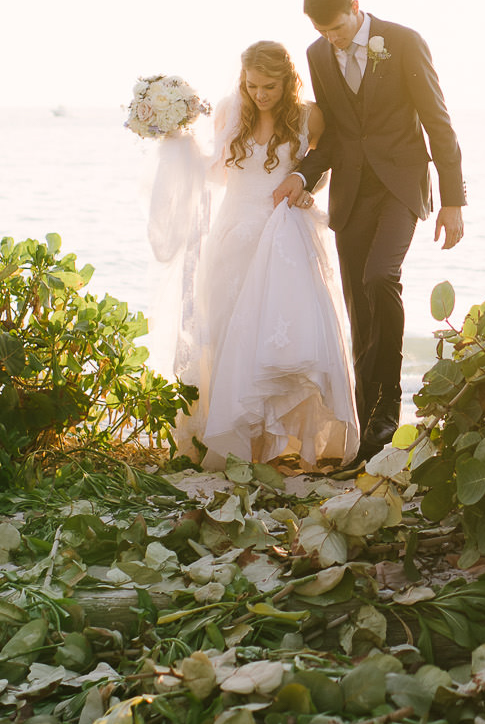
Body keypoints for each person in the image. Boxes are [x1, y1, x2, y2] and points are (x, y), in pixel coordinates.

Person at [271, 0, 465, 464]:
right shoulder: (317, 55)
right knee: (358, 302)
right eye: (323, 31)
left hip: (401, 184)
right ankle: (366, 425)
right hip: (352, 190)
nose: (331, 39)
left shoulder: (402, 43)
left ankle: (388, 410)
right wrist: (304, 176)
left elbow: (438, 122)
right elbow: (334, 134)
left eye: (337, 28)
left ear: (356, 6)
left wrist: (452, 200)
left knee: (382, 277)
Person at [149, 41, 358, 467]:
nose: (260, 94)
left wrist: (304, 186)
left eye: (270, 87)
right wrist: (179, 142)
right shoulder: (232, 110)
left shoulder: (308, 116)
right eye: (253, 85)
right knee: (226, 330)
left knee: (276, 337)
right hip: (232, 233)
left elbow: (323, 161)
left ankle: (279, 443)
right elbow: (217, 171)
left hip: (281, 235)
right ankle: (238, 442)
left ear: (288, 81)